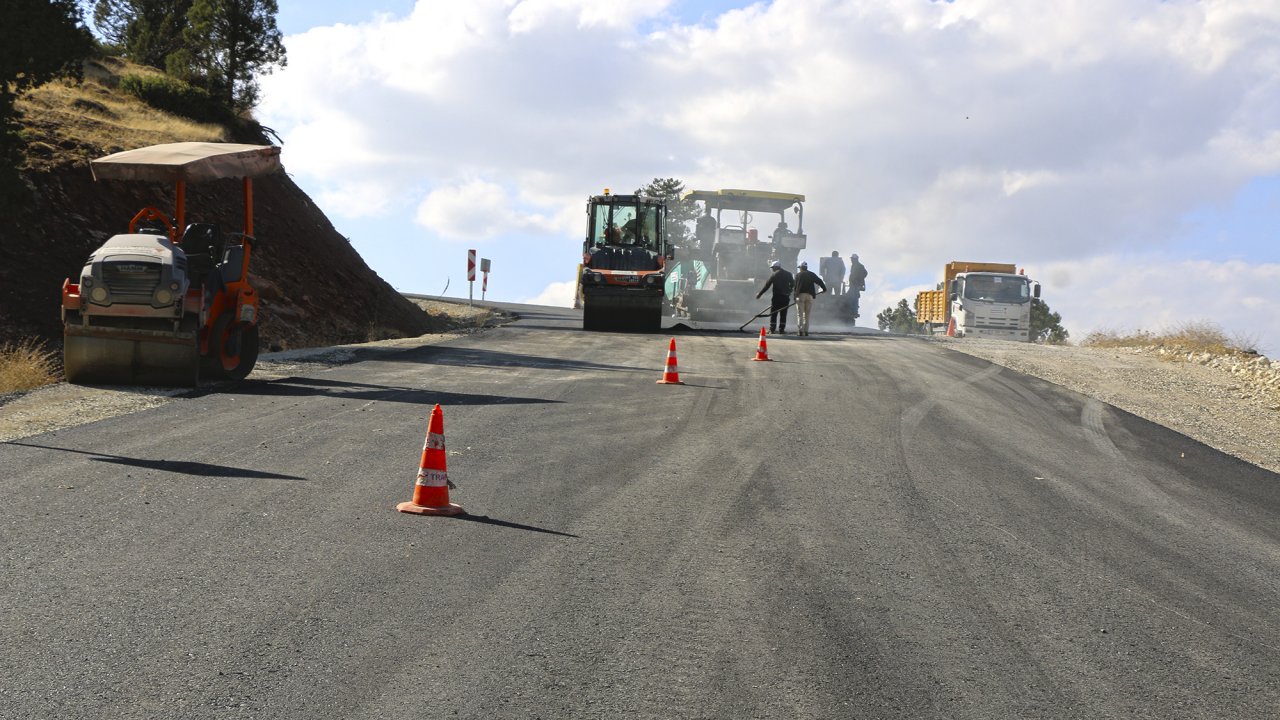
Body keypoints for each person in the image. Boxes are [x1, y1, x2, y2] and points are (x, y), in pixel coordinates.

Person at [755, 260, 794, 334]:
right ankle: (781, 329)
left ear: (776, 267)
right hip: (785, 298)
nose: (772, 269)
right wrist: (789, 292)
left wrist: (760, 294)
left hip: (777, 297)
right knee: (783, 313)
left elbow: (767, 286)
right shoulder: (788, 274)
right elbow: (792, 284)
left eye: (773, 267)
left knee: (773, 313)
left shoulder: (774, 275)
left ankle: (772, 329)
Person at [792, 260, 827, 336]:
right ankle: (806, 331)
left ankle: (800, 331)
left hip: (800, 296)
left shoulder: (798, 275)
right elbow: (819, 281)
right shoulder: (811, 274)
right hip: (810, 296)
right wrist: (824, 288)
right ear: (806, 267)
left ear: (801, 267)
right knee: (807, 315)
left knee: (800, 314)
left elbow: (795, 287)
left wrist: (794, 298)